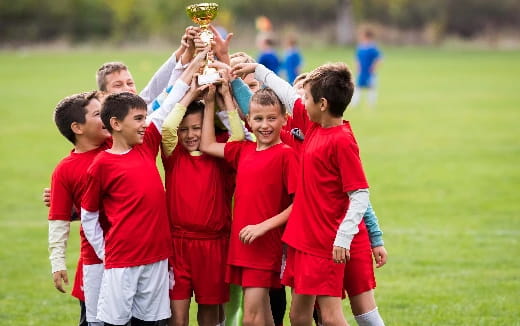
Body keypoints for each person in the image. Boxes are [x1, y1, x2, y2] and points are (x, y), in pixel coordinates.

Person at [232, 62, 387, 326]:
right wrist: (257, 68)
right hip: (303, 240)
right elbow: (289, 97)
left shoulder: (341, 140)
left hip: (326, 242)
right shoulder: (314, 126)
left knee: (329, 315)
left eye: (308, 97)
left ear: (323, 104)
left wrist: (344, 237)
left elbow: (360, 194)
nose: (302, 102)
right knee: (298, 315)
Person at [79, 49, 207, 326]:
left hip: (158, 258)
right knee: (117, 322)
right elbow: (88, 216)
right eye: (138, 119)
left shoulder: (146, 143)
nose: (144, 124)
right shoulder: (101, 165)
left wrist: (193, 68)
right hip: (122, 262)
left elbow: (169, 101)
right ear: (115, 124)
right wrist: (106, 252)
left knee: (152, 322)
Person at [200, 83, 299, 326]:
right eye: (258, 118)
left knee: (251, 318)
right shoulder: (243, 150)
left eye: (272, 118)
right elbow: (207, 145)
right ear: (249, 122)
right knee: (262, 315)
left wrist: (263, 227)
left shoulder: (286, 155)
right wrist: (211, 101)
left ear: (284, 120)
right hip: (242, 244)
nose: (265, 125)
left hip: (264, 245)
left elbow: (300, 205)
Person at [160, 71, 244, 326]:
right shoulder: (173, 155)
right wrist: (192, 93)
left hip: (214, 245)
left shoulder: (220, 150)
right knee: (178, 315)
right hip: (178, 246)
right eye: (184, 129)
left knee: (210, 312)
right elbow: (167, 127)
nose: (190, 135)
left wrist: (215, 101)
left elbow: (238, 136)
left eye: (196, 128)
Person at [48, 91, 111, 326]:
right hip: (95, 262)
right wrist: (58, 263)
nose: (105, 116)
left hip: (134, 254)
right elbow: (58, 220)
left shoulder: (117, 144)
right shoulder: (64, 170)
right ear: (77, 127)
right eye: (97, 113)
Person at [351, 26, 382, 108]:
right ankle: (354, 104)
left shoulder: (373, 48)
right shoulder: (360, 47)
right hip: (361, 72)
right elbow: (357, 58)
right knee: (357, 87)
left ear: (367, 36)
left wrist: (374, 67)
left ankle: (371, 104)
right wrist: (357, 66)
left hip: (370, 72)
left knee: (371, 88)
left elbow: (379, 59)